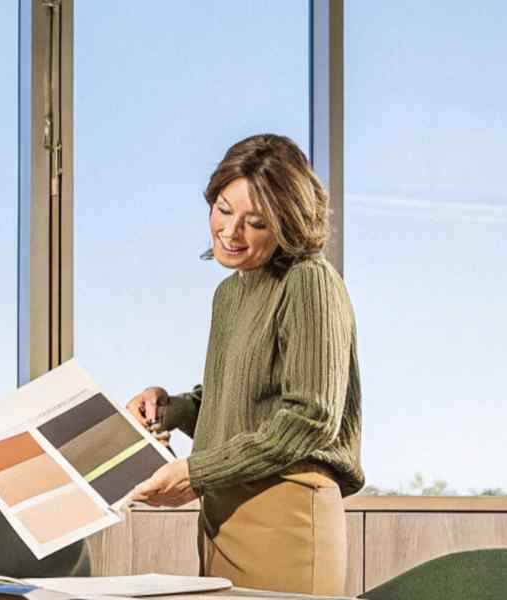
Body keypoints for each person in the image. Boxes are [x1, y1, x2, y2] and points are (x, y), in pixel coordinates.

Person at [126, 133, 364, 595]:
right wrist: (169, 409)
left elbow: (311, 418)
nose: (231, 232)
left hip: (285, 512)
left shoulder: (309, 281)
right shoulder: (231, 293)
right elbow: (236, 401)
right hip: (223, 510)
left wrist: (197, 472)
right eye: (222, 209)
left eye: (255, 222)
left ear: (288, 223)